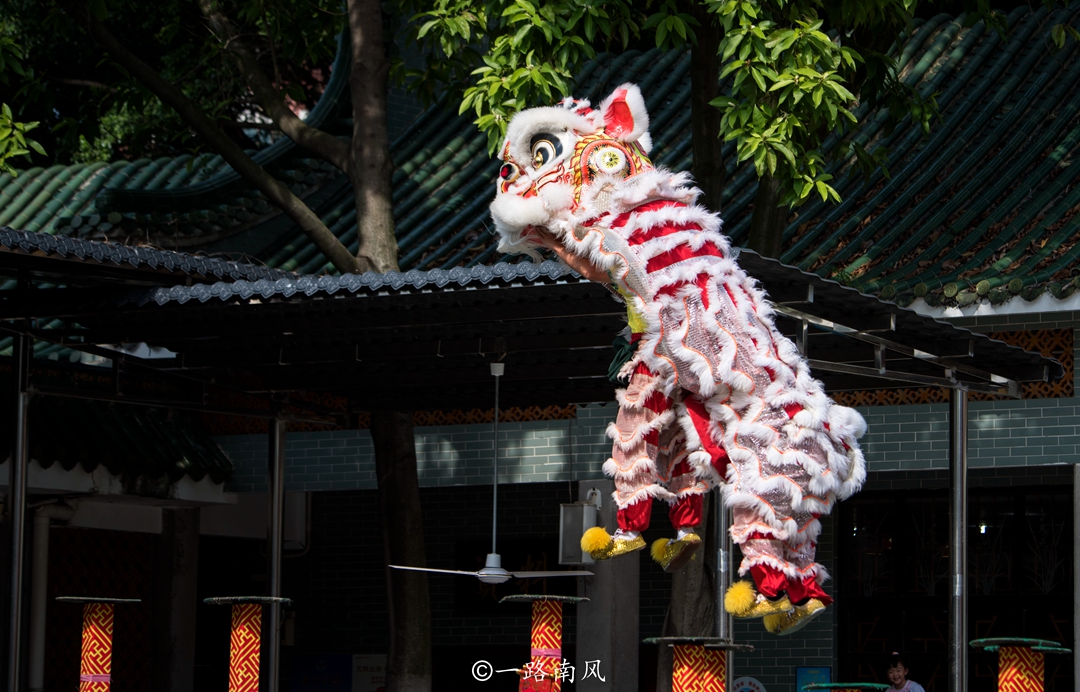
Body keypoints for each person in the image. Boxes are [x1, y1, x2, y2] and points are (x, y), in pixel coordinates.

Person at [487, 83, 867, 634]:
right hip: (677, 348)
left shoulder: (643, 222)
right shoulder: (669, 220)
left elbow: (610, 267)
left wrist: (550, 237)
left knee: (659, 427)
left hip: (684, 347)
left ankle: (742, 566)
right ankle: (695, 540)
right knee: (669, 431)